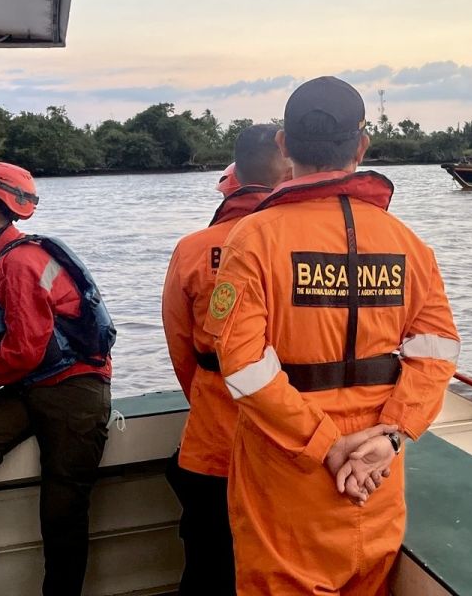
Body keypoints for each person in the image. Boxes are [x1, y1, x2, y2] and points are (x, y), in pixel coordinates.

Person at [204, 76, 460, 595]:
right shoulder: (407, 243)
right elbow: (437, 352)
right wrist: (390, 435)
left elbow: (241, 366)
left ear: (283, 144)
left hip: (289, 478)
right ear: (361, 146)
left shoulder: (252, 238)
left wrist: (326, 444)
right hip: (376, 474)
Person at [0, 162, 115, 596]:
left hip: (75, 390)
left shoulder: (19, 262)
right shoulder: (7, 258)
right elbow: (24, 358)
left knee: (62, 511)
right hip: (30, 385)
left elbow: (22, 352)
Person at [161, 124, 291, 595]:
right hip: (291, 441)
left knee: (208, 562)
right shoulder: (299, 244)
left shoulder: (192, 250)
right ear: (290, 171)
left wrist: (211, 398)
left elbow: (181, 350)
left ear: (232, 180)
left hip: (213, 438)